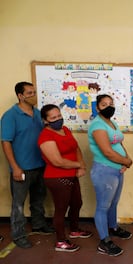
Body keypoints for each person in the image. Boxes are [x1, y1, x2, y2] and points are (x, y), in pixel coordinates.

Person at [1, 81, 54, 249]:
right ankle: (18, 235)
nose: (33, 96)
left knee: (38, 199)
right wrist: (15, 167)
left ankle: (38, 224)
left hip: (40, 165)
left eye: (34, 92)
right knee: (18, 204)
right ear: (20, 96)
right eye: (30, 93)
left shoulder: (38, 113)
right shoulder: (10, 116)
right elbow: (6, 142)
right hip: (21, 168)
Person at [38, 104, 92, 252]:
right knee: (61, 210)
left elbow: (76, 147)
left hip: (71, 175)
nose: (58, 119)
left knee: (77, 203)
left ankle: (74, 230)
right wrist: (78, 166)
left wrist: (81, 166)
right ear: (45, 120)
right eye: (53, 118)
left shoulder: (65, 129)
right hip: (57, 178)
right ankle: (61, 241)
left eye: (59, 116)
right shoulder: (45, 136)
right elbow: (57, 161)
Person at [88, 94, 133, 256]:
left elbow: (119, 142)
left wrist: (125, 160)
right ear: (97, 107)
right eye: (104, 104)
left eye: (111, 103)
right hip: (104, 170)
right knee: (103, 206)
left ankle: (113, 227)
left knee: (114, 202)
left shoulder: (111, 123)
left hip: (117, 169)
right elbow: (107, 152)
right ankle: (104, 241)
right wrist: (125, 161)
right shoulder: (97, 125)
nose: (109, 107)